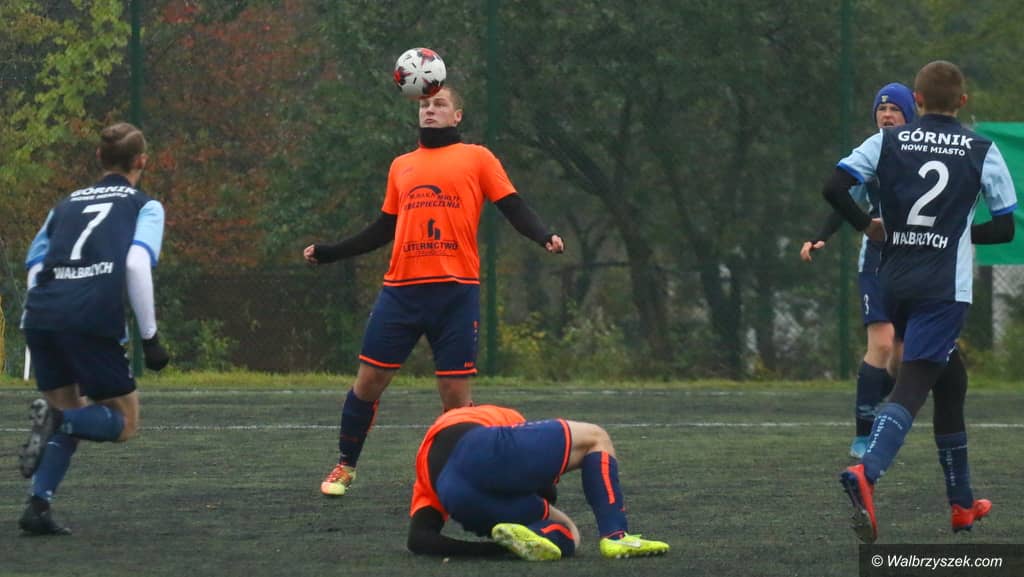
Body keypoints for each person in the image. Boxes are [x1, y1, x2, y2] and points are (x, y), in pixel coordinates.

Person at [304, 86, 565, 497]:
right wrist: (331, 252)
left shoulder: (477, 157)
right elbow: (384, 228)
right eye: (425, 105)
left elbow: (512, 205)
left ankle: (467, 475)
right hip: (401, 293)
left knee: (455, 397)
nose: (430, 110)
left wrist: (543, 234)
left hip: (455, 293)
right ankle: (345, 465)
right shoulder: (402, 165)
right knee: (368, 382)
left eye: (440, 104)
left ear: (457, 116)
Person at [823, 61, 1016, 543]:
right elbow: (1005, 227)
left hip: (893, 280)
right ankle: (867, 471)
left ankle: (963, 503)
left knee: (951, 382)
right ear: (963, 103)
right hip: (942, 290)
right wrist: (959, 234)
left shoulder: (888, 140)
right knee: (913, 385)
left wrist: (867, 225)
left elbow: (834, 187)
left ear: (918, 100)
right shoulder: (982, 149)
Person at [17, 122, 170, 535]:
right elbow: (135, 264)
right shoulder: (144, 205)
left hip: (42, 313)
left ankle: (38, 505)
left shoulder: (65, 204)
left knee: (71, 409)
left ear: (99, 158)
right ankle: (56, 421)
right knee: (124, 421)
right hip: (88, 317)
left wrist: (46, 312)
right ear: (142, 161)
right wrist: (150, 338)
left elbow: (35, 265)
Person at [801, 83, 915, 459]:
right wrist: (820, 237)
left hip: (916, 262)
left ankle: (875, 402)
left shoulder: (924, 153)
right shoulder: (873, 152)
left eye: (894, 110)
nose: (887, 115)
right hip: (877, 262)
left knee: (903, 358)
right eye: (881, 109)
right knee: (880, 344)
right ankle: (863, 435)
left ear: (910, 116)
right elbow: (844, 200)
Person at [404, 404, 670, 560]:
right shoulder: (504, 417)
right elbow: (546, 489)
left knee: (568, 530)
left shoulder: (423, 478)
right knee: (596, 437)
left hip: (456, 497)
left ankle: (538, 537)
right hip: (477, 448)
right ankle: (616, 535)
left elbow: (419, 539)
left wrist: (492, 550)